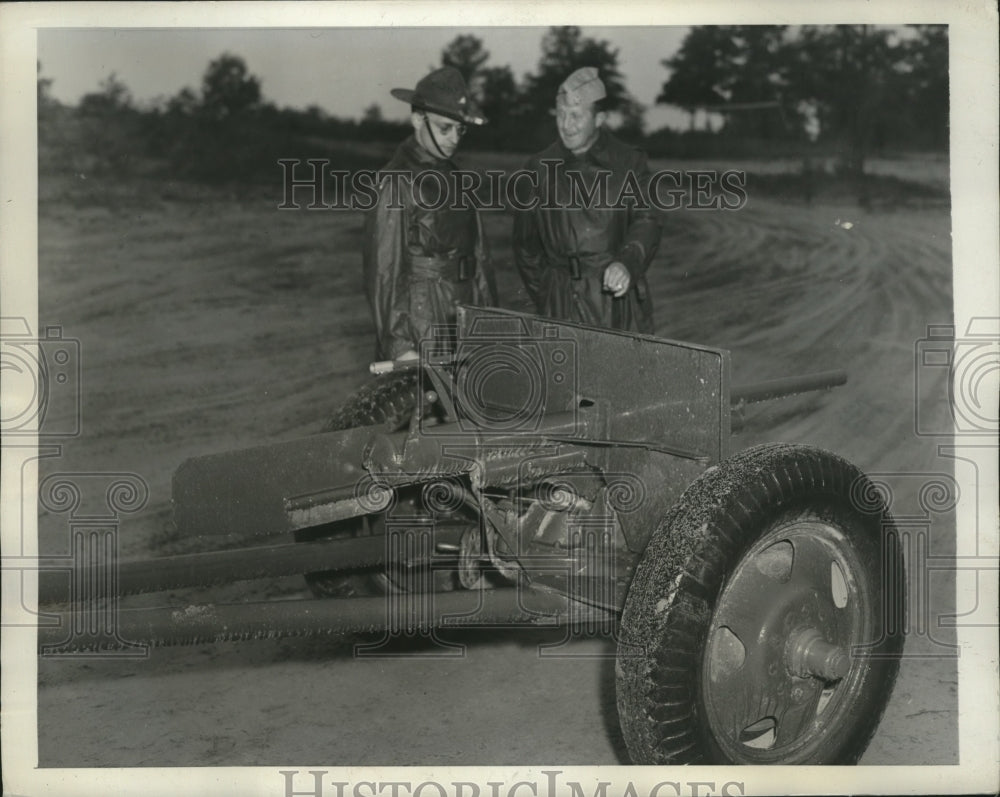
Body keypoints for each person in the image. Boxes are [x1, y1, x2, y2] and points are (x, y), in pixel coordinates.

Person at [364, 66, 497, 362]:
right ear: (417, 120)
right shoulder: (397, 181)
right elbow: (384, 270)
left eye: (460, 129)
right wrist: (399, 347)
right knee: (426, 394)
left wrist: (488, 323)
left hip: (462, 314)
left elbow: (479, 256)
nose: (454, 138)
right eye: (444, 128)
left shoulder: (456, 178)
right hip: (421, 325)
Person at [513, 67, 661, 333]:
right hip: (558, 304)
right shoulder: (537, 169)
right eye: (561, 114)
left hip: (615, 306)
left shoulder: (629, 162)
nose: (566, 125)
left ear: (599, 118)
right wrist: (549, 293)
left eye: (576, 116)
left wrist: (627, 263)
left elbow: (647, 220)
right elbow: (526, 247)